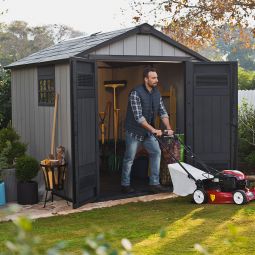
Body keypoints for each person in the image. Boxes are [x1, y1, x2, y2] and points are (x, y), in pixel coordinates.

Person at [121, 67, 174, 194]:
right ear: (146, 79)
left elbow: (162, 112)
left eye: (157, 77)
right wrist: (154, 130)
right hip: (134, 131)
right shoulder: (135, 93)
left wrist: (168, 128)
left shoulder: (157, 93)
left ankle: (154, 183)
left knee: (156, 152)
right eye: (153, 78)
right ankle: (125, 184)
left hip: (148, 132)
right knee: (129, 159)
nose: (156, 80)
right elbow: (139, 118)